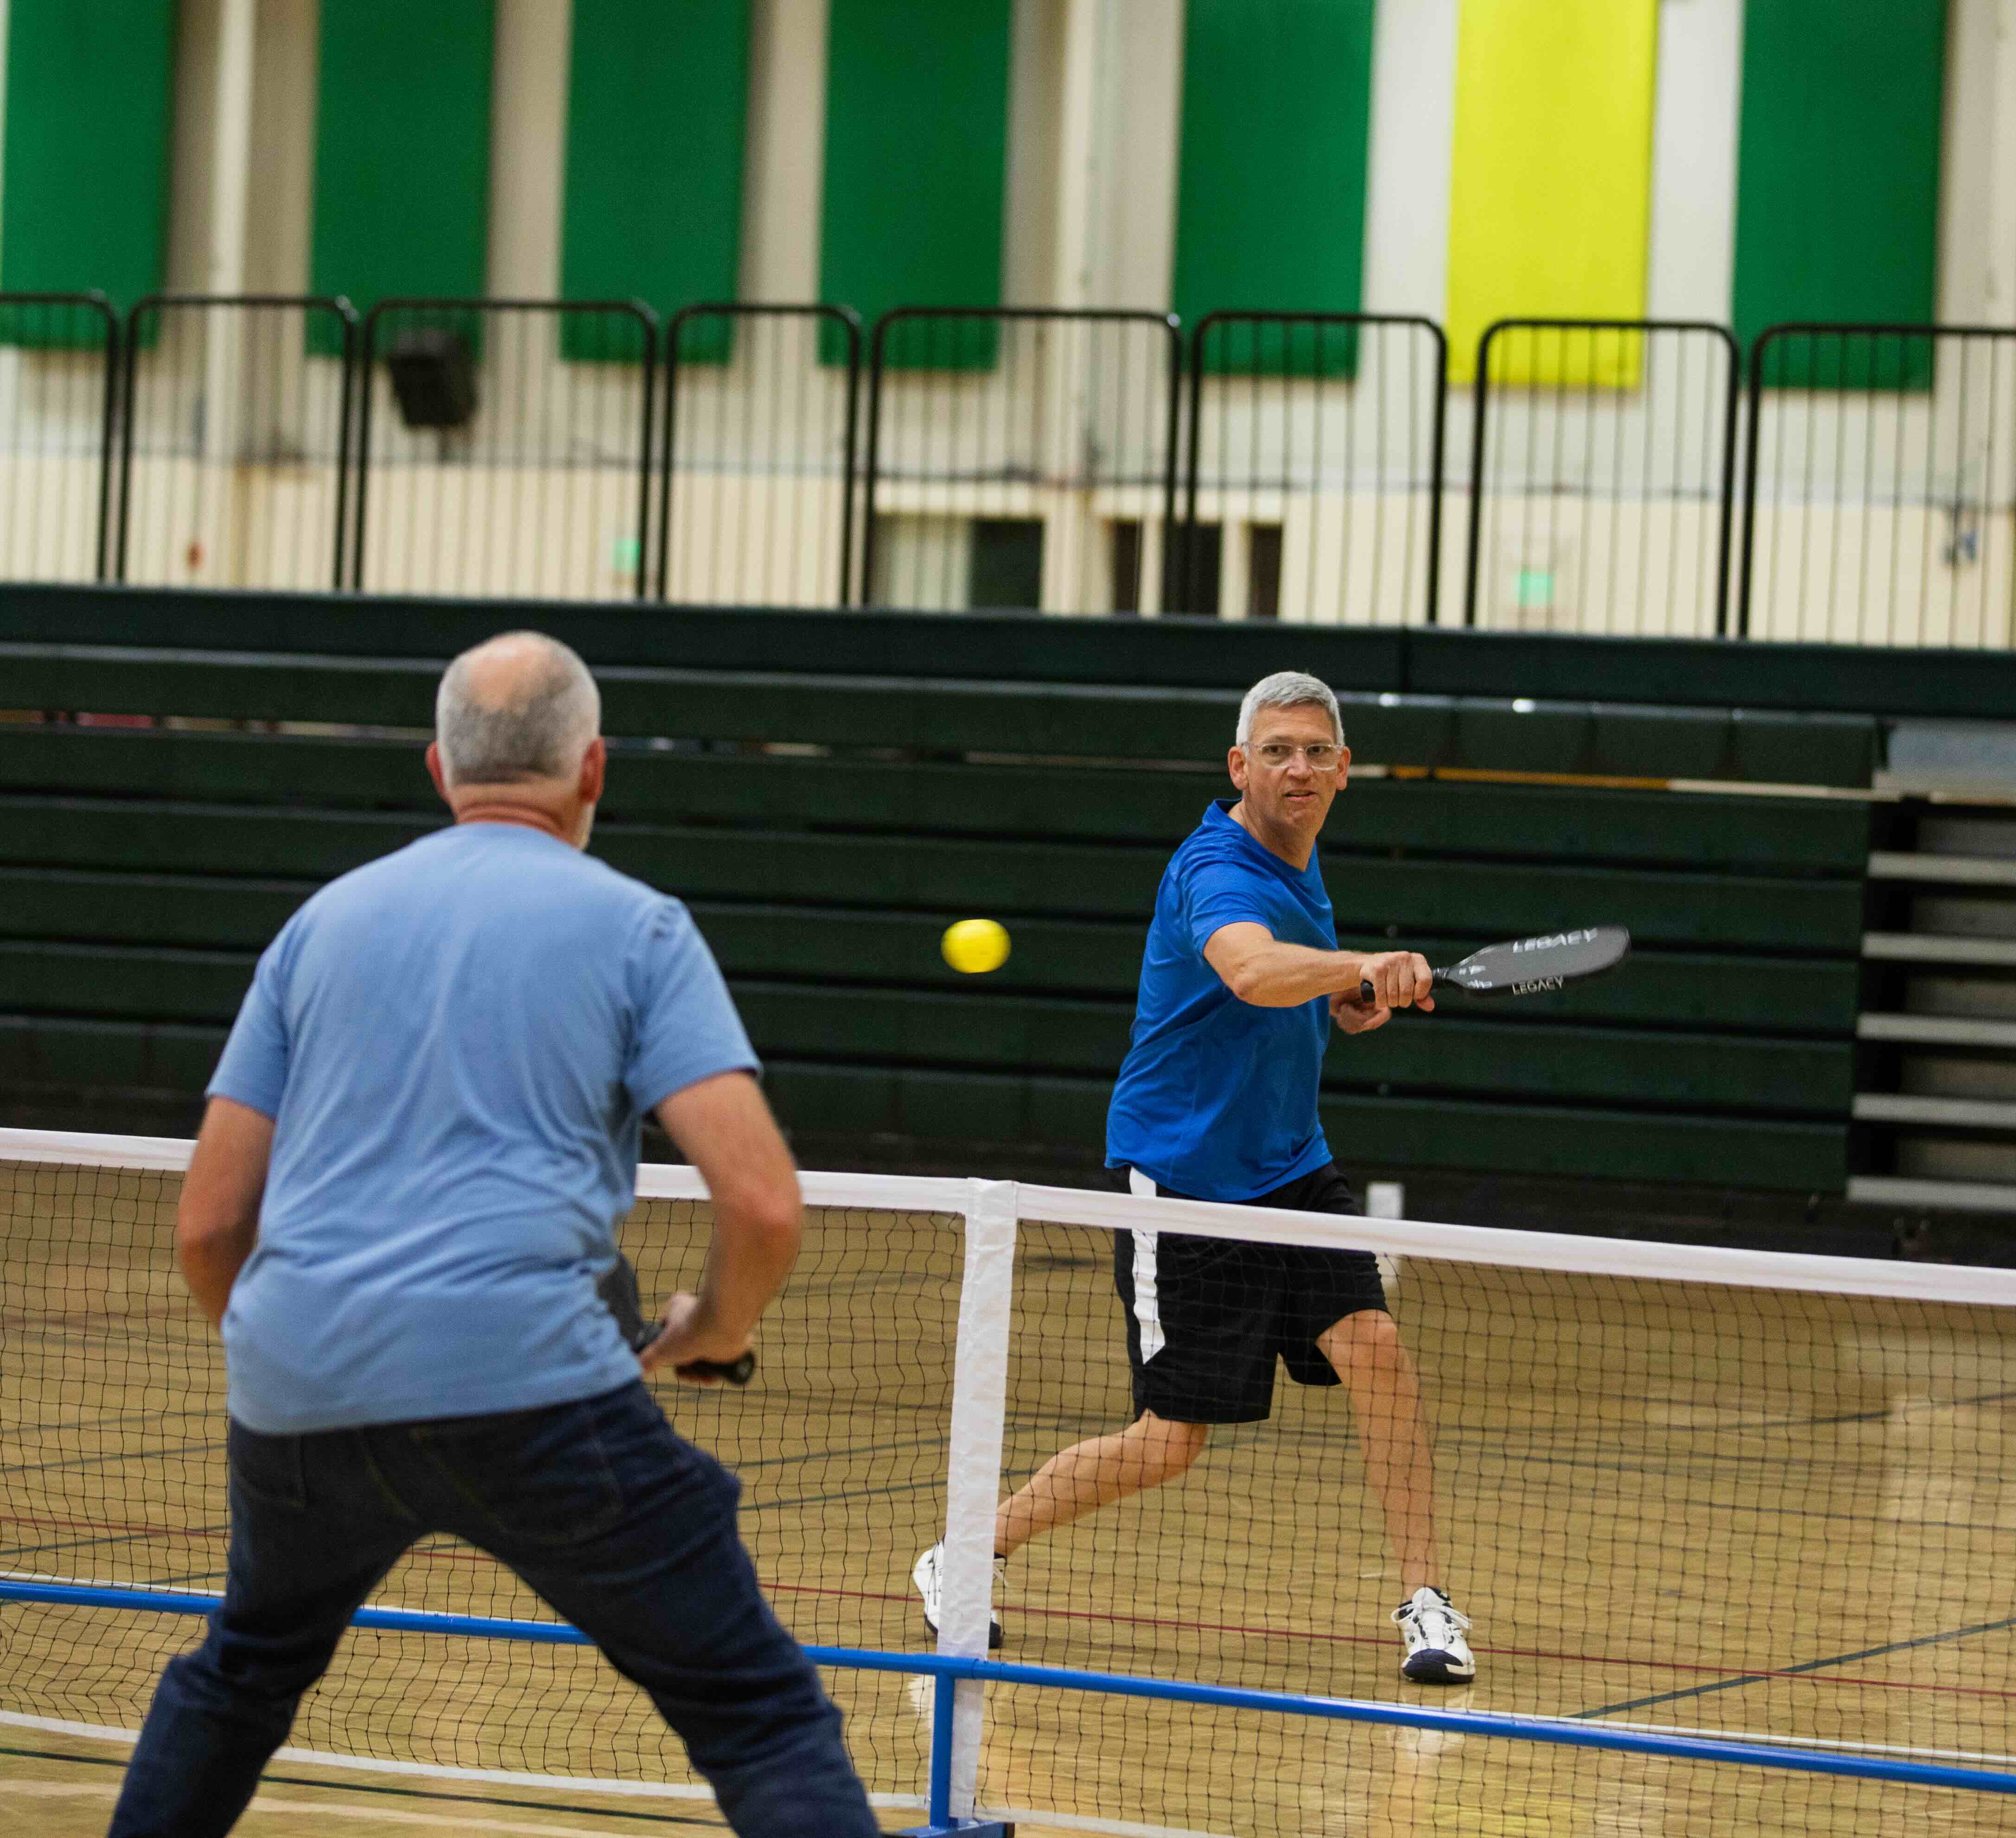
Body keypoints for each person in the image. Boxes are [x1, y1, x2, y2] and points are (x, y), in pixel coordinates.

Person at [108, 633, 884, 1838]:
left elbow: (210, 1222)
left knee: (244, 1671)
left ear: (438, 769)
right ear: (593, 771)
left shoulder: (319, 926)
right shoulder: (641, 929)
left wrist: (295, 1349)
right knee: (760, 1715)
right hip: (532, 1390)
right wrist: (707, 1332)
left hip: (300, 1384)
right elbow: (763, 1201)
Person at [912, 670, 1477, 1685]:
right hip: (1182, 1180)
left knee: (1378, 1347)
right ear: (1239, 767)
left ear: (1342, 770)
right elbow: (1255, 972)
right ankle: (964, 1553)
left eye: (1314, 751)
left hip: (1290, 1164)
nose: (1295, 767)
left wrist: (1348, 1003)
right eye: (1275, 752)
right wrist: (1357, 968)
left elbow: (1288, 996)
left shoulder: (1302, 861)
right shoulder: (1218, 867)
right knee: (1171, 1440)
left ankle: (1426, 1603)